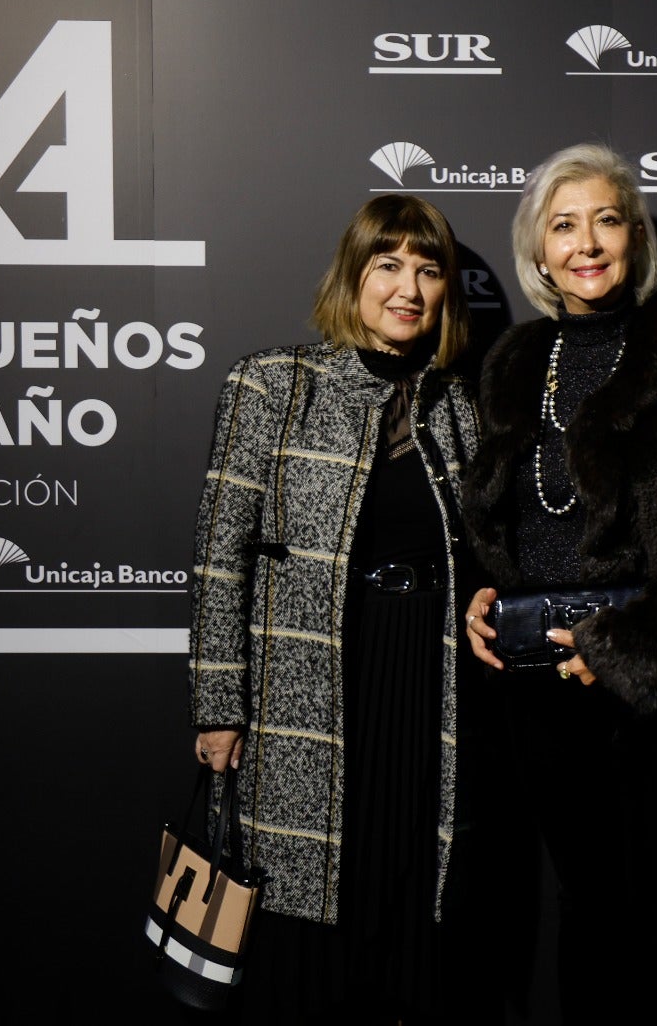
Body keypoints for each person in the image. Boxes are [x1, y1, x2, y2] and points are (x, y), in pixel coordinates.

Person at [460, 143, 657, 1022]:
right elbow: (504, 515)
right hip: (541, 686)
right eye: (564, 225)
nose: (585, 243)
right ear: (539, 251)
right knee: (585, 910)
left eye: (605, 219)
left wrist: (628, 651)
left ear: (634, 237)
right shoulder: (514, 362)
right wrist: (485, 594)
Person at [187, 194, 496, 1024]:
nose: (409, 288)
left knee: (405, 882)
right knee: (311, 895)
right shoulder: (271, 385)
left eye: (429, 271)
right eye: (387, 265)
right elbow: (221, 558)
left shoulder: (462, 410)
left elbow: (489, 559)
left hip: (426, 682)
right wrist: (219, 706)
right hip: (310, 683)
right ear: (352, 277)